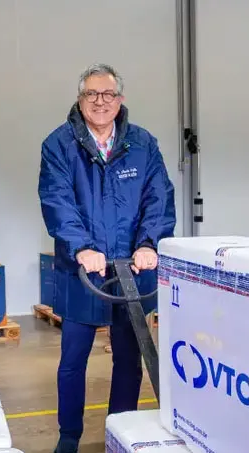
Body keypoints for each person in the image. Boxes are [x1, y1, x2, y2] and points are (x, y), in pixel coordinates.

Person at [38, 63, 176, 453]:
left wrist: (149, 243)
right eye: (92, 95)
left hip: (132, 270)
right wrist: (82, 246)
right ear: (80, 99)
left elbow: (159, 199)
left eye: (108, 94)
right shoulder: (59, 144)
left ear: (121, 100)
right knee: (73, 359)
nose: (100, 102)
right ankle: (69, 438)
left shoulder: (143, 144)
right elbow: (57, 199)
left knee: (129, 358)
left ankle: (120, 431)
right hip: (83, 270)